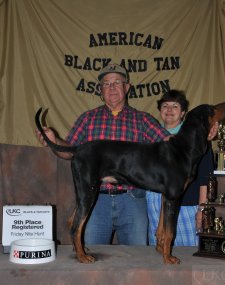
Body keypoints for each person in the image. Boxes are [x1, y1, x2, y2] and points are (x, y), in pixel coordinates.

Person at [36, 63, 170, 246]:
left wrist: (199, 134)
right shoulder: (87, 119)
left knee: (137, 262)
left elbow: (170, 144)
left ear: (127, 87)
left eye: (117, 82)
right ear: (101, 90)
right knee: (93, 265)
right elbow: (68, 152)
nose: (112, 87)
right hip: (96, 200)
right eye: (106, 84)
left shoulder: (143, 120)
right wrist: (54, 140)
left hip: (132, 199)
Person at [147, 90, 215, 246]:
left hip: (184, 204)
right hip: (154, 205)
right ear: (160, 110)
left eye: (175, 106)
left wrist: (202, 210)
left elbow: (206, 177)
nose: (169, 110)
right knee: (158, 252)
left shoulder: (196, 138)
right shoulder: (151, 137)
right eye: (165, 105)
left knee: (187, 253)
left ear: (183, 112)